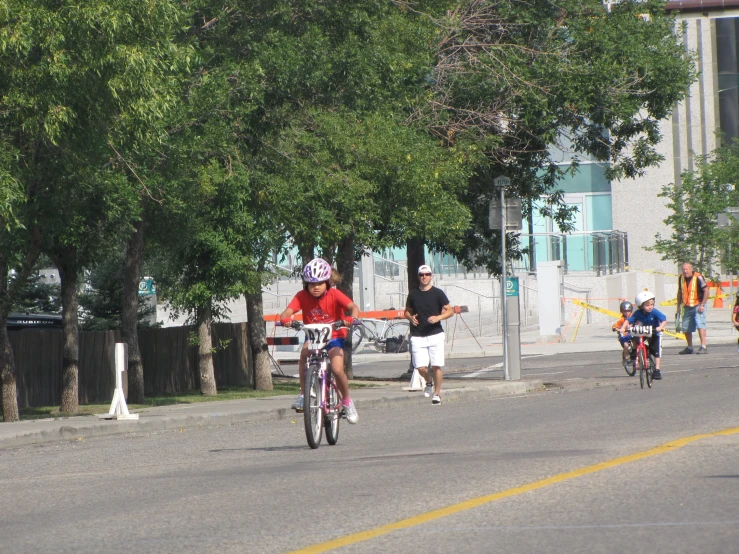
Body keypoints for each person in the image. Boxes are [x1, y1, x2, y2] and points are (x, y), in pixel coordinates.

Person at [279, 258, 360, 423]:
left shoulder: (334, 294)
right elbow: (286, 313)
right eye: (311, 284)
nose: (315, 287)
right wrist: (286, 319)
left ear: (327, 283)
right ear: (305, 284)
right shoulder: (301, 296)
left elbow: (353, 307)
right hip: (314, 336)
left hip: (335, 336)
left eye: (320, 283)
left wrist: (352, 318)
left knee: (337, 370)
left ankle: (346, 401)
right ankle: (304, 394)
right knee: (303, 354)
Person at [404, 264, 454, 405]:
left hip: (435, 334)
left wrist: (438, 317)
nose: (424, 277)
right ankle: (428, 381)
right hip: (418, 335)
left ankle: (437, 394)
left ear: (431, 276)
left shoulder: (438, 293)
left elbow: (449, 310)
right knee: (420, 368)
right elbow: (406, 311)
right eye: (421, 275)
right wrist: (410, 317)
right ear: (418, 276)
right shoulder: (413, 294)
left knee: (436, 366)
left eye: (427, 274)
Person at [620, 290, 668, 380]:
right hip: (643, 331)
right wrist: (623, 327)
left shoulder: (655, 312)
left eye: (651, 304)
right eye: (647, 305)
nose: (650, 307)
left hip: (654, 332)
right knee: (634, 338)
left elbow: (664, 320)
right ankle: (635, 352)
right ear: (641, 306)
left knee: (656, 351)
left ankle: (657, 370)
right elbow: (628, 320)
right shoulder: (638, 313)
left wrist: (660, 327)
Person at [676, 262, 709, 354]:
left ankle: (703, 346)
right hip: (687, 305)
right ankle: (690, 347)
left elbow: (706, 291)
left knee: (700, 324)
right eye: (684, 269)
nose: (685, 271)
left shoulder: (698, 277)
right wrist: (678, 306)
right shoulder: (681, 278)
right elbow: (679, 292)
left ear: (691, 269)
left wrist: (702, 304)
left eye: (687, 269)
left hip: (698, 303)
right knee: (686, 326)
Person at [612, 300, 634, 370]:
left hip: (632, 334)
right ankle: (626, 359)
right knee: (626, 345)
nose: (627, 313)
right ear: (622, 311)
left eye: (628, 311)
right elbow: (616, 325)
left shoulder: (634, 317)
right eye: (625, 311)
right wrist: (615, 328)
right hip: (624, 335)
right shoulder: (622, 319)